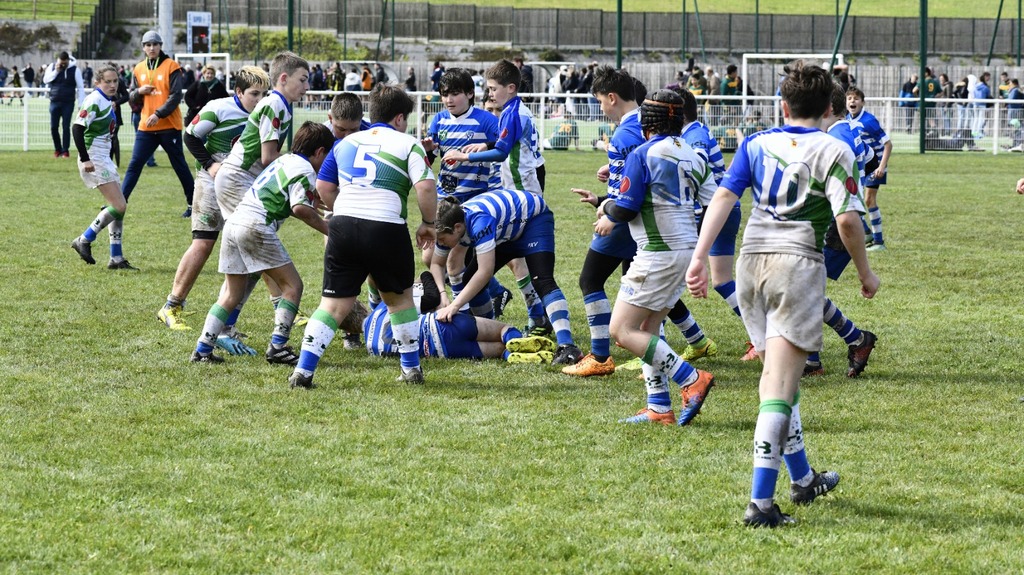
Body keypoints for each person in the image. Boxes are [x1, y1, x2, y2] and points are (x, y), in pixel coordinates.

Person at [687, 61, 879, 528]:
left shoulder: (756, 143)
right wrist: (865, 272)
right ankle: (760, 505)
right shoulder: (836, 149)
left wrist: (698, 257)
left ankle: (803, 479)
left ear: (783, 105)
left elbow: (724, 198)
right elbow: (847, 220)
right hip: (796, 266)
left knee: (779, 377)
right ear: (830, 108)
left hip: (751, 266)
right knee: (776, 387)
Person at [288, 85, 438, 389]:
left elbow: (324, 187)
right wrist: (428, 223)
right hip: (386, 227)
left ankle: (303, 371)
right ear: (399, 118)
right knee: (399, 300)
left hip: (343, 226)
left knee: (332, 305)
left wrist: (344, 209)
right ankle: (411, 369)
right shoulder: (408, 143)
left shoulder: (344, 143)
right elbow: (425, 186)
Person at [590, 89, 717, 425]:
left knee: (622, 330)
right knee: (648, 327)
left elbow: (627, 207)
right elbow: (714, 204)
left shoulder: (642, 153)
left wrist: (607, 209)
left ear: (646, 122)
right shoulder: (693, 155)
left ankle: (691, 379)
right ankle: (659, 407)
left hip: (657, 253)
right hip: (686, 250)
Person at [190, 122, 335, 364]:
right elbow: (300, 209)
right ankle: (278, 346)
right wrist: (330, 230)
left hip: (234, 222)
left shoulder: (284, 160)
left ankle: (202, 349)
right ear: (320, 152)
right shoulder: (306, 170)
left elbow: (279, 199)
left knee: (231, 293)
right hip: (254, 227)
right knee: (293, 286)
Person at [157, 65, 271, 334]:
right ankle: (171, 306)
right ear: (239, 92)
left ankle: (229, 322)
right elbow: (190, 136)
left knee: (253, 243)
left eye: (264, 94)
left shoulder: (268, 113)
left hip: (242, 186)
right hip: (211, 182)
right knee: (203, 243)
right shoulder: (218, 108)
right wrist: (210, 165)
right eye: (254, 94)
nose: (260, 100)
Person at [212, 52, 311, 340]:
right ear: (284, 78)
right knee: (251, 249)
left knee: (250, 258)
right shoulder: (274, 104)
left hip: (244, 179)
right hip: (237, 179)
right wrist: (296, 165)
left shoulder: (281, 105)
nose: (307, 87)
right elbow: (269, 157)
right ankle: (227, 328)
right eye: (303, 80)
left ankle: (224, 327)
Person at [429, 190, 584, 366]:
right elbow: (436, 264)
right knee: (470, 280)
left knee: (542, 280)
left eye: (442, 239)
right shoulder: (452, 224)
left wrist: (455, 306)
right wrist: (442, 294)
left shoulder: (479, 221)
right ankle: (487, 332)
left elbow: (485, 271)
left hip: (534, 220)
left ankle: (567, 346)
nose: (440, 243)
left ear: (457, 228)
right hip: (507, 231)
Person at [562, 66, 645, 376]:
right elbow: (637, 173)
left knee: (590, 279)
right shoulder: (644, 123)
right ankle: (648, 353)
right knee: (638, 288)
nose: (600, 108)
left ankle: (599, 356)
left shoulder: (626, 132)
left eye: (599, 101)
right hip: (639, 220)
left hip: (625, 220)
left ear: (612, 98)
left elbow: (633, 187)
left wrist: (611, 213)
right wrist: (603, 196)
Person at [813, 81, 880, 378]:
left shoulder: (833, 138)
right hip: (843, 218)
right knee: (807, 289)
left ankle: (854, 339)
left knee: (804, 289)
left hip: (837, 221)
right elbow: (871, 160)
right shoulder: (850, 129)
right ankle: (817, 357)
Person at [362, 276, 555, 363]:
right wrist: (424, 278)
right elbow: (430, 298)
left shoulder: (371, 347)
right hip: (442, 325)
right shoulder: (387, 306)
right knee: (503, 329)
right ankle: (516, 339)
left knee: (498, 350)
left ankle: (512, 356)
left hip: (441, 351)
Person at [69, 65, 138, 271]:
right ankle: (84, 239)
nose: (112, 85)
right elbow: (77, 128)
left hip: (103, 158)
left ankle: (116, 258)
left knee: (119, 207)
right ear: (97, 82)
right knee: (119, 206)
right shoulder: (95, 100)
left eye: (115, 81)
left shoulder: (107, 100)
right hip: (94, 158)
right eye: (107, 81)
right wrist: (85, 158)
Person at [443, 59, 545, 196]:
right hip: (529, 177)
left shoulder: (511, 114)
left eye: (493, 89)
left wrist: (465, 156)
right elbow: (513, 142)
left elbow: (501, 154)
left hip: (521, 183)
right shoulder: (520, 109)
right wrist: (486, 145)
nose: (490, 94)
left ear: (510, 88)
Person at [122, 31, 196, 217]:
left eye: (155, 44)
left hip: (169, 126)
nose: (152, 48)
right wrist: (139, 91)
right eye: (148, 44)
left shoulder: (171, 66)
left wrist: (158, 113)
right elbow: (131, 96)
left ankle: (193, 204)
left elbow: (176, 96)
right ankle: (119, 204)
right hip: (146, 127)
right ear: (143, 47)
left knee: (179, 166)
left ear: (160, 46)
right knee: (135, 164)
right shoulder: (138, 68)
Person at [847, 87, 892, 251]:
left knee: (868, 199)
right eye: (849, 98)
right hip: (860, 165)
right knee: (852, 198)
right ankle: (866, 233)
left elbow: (888, 144)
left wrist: (882, 166)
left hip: (875, 164)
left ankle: (879, 242)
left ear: (863, 102)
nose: (852, 101)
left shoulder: (869, 121)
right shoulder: (846, 120)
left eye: (856, 98)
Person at [43, 51, 85, 158]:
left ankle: (65, 150)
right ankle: (57, 149)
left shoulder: (75, 69)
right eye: (61, 63)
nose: (62, 65)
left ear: (68, 61)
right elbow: (46, 80)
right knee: (53, 127)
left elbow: (80, 88)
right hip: (54, 101)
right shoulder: (52, 67)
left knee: (66, 127)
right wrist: (56, 71)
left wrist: (81, 104)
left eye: (64, 63)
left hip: (68, 102)